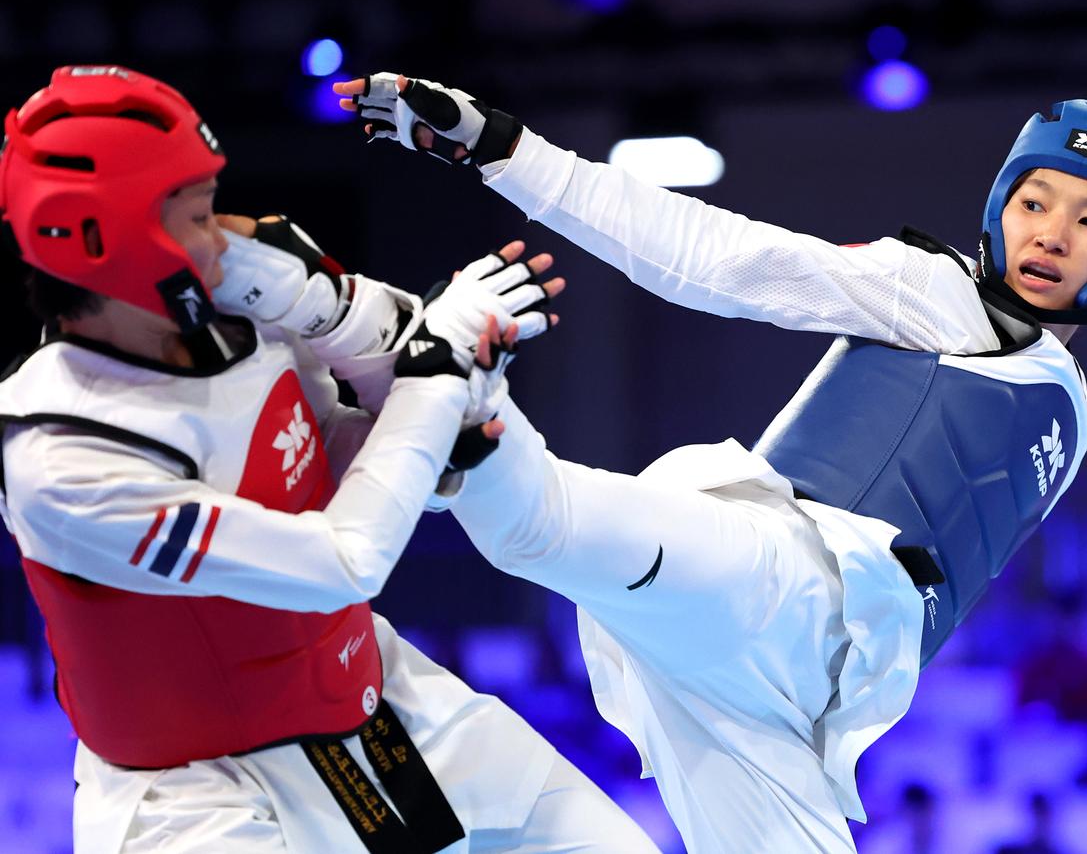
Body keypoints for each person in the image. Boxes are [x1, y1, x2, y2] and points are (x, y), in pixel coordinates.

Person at [334, 74, 1087, 852]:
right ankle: (444, 390)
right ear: (998, 209)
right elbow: (716, 255)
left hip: (792, 706)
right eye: (1032, 201)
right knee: (543, 527)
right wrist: (507, 150)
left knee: (545, 537)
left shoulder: (1073, 412)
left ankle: (450, 423)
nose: (1051, 233)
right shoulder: (937, 289)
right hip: (777, 579)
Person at [0, 66, 657, 854]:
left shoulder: (238, 310)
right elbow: (343, 559)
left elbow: (344, 454)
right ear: (107, 242)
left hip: (373, 707)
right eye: (199, 216)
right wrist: (433, 379)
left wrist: (416, 395)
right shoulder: (62, 458)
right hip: (200, 802)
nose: (226, 234)